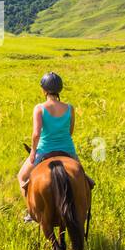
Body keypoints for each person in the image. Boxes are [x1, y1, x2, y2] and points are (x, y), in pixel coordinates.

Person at [18, 72, 76, 211]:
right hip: (67, 149)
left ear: (44, 90)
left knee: (21, 176)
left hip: (45, 149)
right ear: (59, 89)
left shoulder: (39, 108)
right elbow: (70, 132)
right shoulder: (70, 108)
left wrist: (33, 151)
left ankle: (31, 211)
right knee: (84, 179)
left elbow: (36, 133)